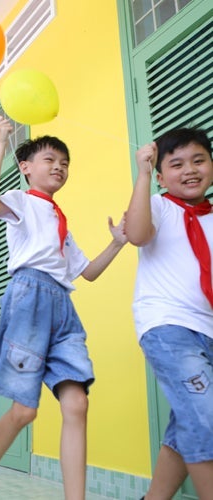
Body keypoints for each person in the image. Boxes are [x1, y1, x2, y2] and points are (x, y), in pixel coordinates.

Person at [0, 116, 127, 500]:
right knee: (25, 411)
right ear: (26, 168)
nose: (58, 167)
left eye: (64, 163)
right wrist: (0, 143)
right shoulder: (21, 201)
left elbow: (88, 273)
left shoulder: (60, 224)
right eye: (50, 159)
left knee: (77, 403)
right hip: (29, 298)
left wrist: (118, 243)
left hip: (62, 306)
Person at [125, 127, 213, 500]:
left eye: (199, 160)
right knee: (205, 415)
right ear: (162, 176)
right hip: (167, 327)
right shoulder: (158, 205)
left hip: (207, 330)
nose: (190, 170)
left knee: (187, 424)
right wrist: (142, 176)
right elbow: (138, 234)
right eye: (176, 164)